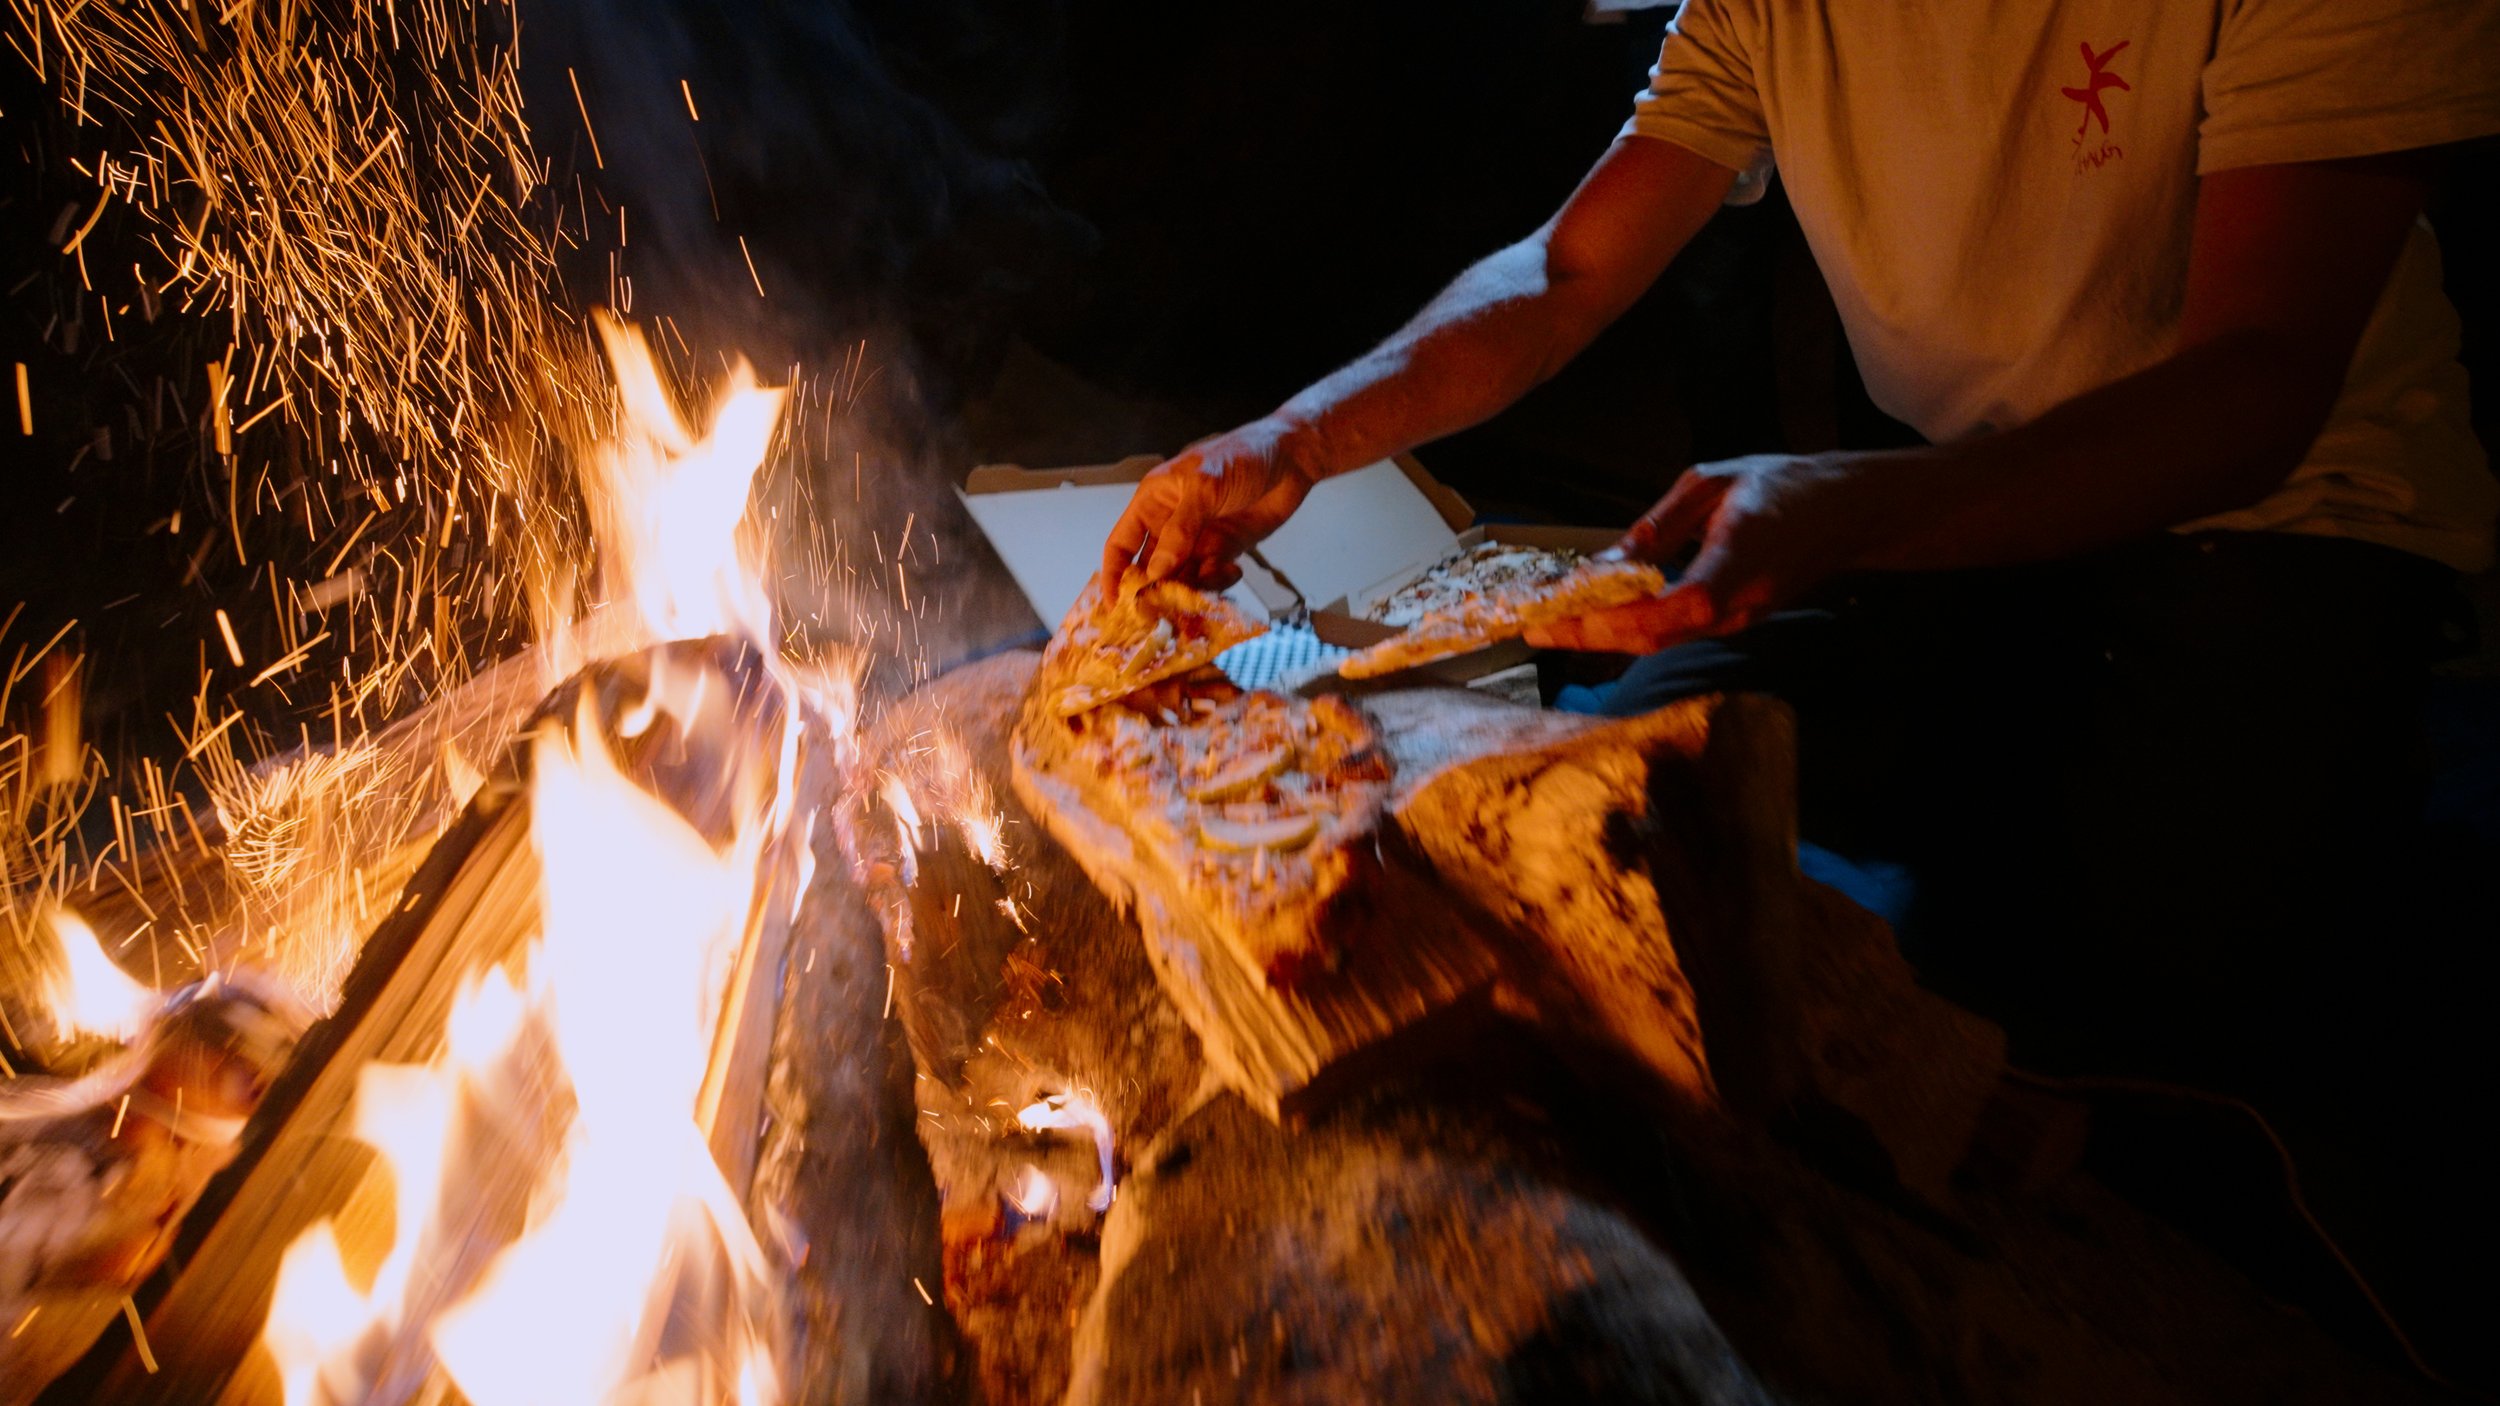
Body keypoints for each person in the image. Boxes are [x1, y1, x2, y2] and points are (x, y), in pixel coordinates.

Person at [1097, 0, 2499, 1380]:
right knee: (1623, 803)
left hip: (2284, 532)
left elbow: (2255, 389)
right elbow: (1568, 272)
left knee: (2131, 1038)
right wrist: (1295, 435)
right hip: (1958, 512)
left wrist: (1849, 510)